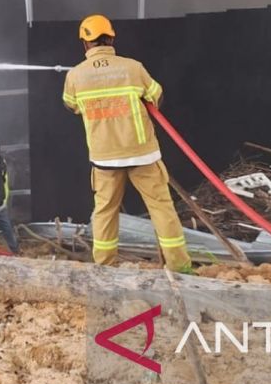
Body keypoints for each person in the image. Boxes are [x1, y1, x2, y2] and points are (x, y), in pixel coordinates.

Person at [61, 14, 193, 273]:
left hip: (105, 157)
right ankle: (180, 267)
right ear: (111, 38)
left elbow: (70, 105)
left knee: (105, 212)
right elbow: (157, 97)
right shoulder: (133, 67)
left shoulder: (75, 75)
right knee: (162, 209)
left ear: (85, 44)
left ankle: (104, 267)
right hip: (143, 153)